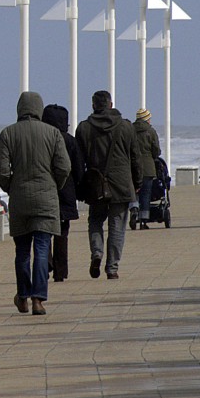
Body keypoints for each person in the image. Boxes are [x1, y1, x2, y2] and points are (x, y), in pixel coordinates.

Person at [0, 91, 70, 316]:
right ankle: (39, 299)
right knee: (41, 248)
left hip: (20, 199)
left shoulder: (8, 133)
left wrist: (10, 186)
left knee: (22, 251)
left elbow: (2, 169)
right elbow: (64, 166)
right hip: (46, 199)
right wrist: (54, 185)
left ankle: (23, 297)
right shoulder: (53, 133)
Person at [74, 90, 137, 280]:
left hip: (96, 183)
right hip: (121, 183)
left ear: (93, 105)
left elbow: (79, 160)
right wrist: (138, 181)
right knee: (117, 225)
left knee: (95, 221)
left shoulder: (84, 128)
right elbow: (135, 158)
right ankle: (112, 268)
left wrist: (79, 184)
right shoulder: (126, 126)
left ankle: (97, 253)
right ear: (110, 104)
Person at [41, 104, 83, 283]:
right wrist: (78, 188)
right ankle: (60, 271)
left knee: (43, 230)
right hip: (65, 190)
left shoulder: (42, 138)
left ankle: (47, 261)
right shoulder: (70, 141)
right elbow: (79, 168)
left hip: (44, 189)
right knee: (62, 232)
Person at [131, 108, 162, 228]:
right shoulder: (151, 131)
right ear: (147, 119)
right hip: (147, 167)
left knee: (133, 191)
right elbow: (156, 150)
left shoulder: (130, 129)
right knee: (145, 193)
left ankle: (133, 208)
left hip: (132, 166)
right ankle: (143, 219)